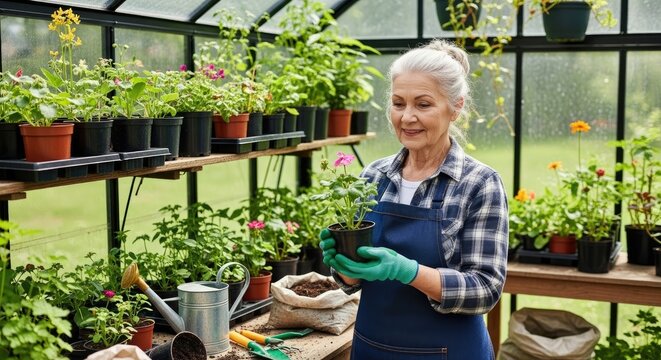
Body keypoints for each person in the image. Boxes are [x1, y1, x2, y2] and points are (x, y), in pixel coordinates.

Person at [319, 39, 509, 359]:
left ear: (456, 107)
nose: (407, 117)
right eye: (398, 103)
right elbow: (355, 281)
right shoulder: (373, 177)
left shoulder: (479, 184)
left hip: (450, 351)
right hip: (372, 348)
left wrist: (408, 271)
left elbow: (485, 290)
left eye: (423, 104)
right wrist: (345, 266)